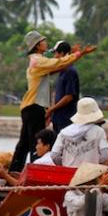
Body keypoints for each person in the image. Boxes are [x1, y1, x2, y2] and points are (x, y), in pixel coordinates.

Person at [10, 31, 95, 172]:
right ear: (37, 46)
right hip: (34, 107)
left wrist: (72, 56)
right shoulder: (38, 60)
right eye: (43, 41)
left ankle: (15, 171)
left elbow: (59, 66)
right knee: (36, 144)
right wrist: (80, 54)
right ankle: (35, 174)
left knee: (24, 143)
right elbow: (59, 63)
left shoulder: (37, 60)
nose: (46, 43)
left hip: (30, 107)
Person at [51, 97, 108, 167]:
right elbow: (105, 155)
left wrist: (63, 164)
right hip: (90, 173)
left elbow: (54, 155)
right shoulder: (99, 131)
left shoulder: (64, 132)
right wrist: (94, 163)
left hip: (68, 173)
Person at [47, 41, 81, 133]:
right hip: (58, 118)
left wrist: (51, 109)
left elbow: (69, 97)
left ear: (62, 53)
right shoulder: (63, 70)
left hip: (66, 119)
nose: (55, 57)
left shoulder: (70, 71)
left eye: (56, 53)